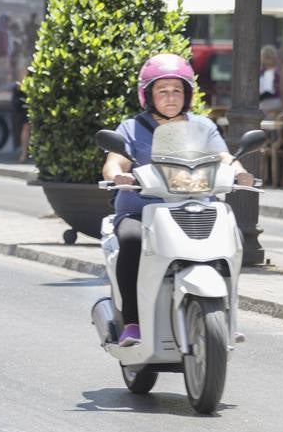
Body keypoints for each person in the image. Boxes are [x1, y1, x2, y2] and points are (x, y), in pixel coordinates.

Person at [102, 54, 254, 347]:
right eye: (162, 90)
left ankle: (225, 316)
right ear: (148, 94)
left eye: (177, 90)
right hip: (142, 211)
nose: (170, 97)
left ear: (187, 95)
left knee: (229, 240)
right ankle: (133, 323)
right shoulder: (131, 128)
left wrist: (240, 171)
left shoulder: (202, 127)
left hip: (195, 205)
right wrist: (117, 175)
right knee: (131, 241)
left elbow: (223, 156)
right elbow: (114, 161)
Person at [258, 45, 282, 117]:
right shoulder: (277, 71)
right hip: (277, 101)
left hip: (266, 102)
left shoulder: (265, 72)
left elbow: (266, 90)